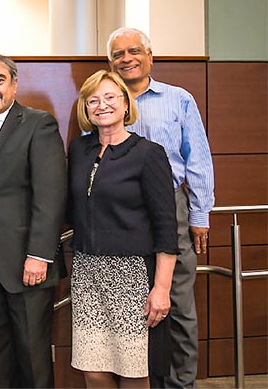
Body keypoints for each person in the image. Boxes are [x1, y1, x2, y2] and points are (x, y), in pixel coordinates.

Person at [108, 27, 214, 388]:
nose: (127, 58)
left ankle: (181, 383)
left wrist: (200, 216)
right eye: (118, 54)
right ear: (111, 62)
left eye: (134, 51)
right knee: (135, 304)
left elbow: (197, 159)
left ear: (150, 56)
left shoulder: (177, 98)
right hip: (122, 212)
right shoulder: (104, 99)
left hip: (171, 207)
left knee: (178, 302)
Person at [0, 53, 67, 388]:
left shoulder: (38, 124)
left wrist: (40, 255)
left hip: (28, 266)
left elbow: (50, 195)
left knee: (33, 362)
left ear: (14, 84)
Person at [68, 69, 179, 387]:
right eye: (93, 100)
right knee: (93, 369)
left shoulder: (148, 154)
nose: (102, 105)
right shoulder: (79, 150)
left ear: (126, 104)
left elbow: (166, 228)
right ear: (86, 108)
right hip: (88, 272)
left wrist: (161, 289)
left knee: (133, 371)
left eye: (110, 97)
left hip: (132, 277)